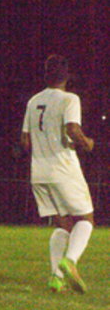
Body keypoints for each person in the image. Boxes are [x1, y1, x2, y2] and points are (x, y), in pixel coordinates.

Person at [20, 54, 94, 293]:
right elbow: (72, 129)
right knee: (86, 220)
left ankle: (55, 278)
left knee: (63, 225)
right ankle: (70, 262)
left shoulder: (33, 101)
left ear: (46, 75)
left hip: (39, 172)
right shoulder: (70, 98)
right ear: (67, 76)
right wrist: (86, 143)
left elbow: (25, 141)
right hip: (62, 168)